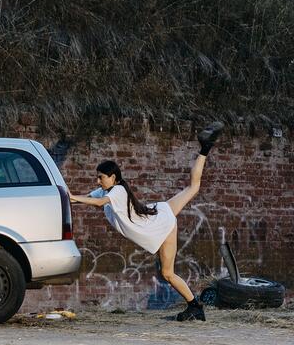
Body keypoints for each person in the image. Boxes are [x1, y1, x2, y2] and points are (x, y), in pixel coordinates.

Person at [69, 121, 225, 322]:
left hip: (160, 225)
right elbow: (89, 199)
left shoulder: (117, 190)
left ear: (113, 177)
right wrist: (67, 196)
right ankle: (205, 148)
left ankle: (195, 306)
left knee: (168, 273)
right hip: (160, 213)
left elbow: (98, 202)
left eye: (101, 177)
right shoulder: (108, 190)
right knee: (193, 188)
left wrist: (72, 196)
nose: (98, 181)